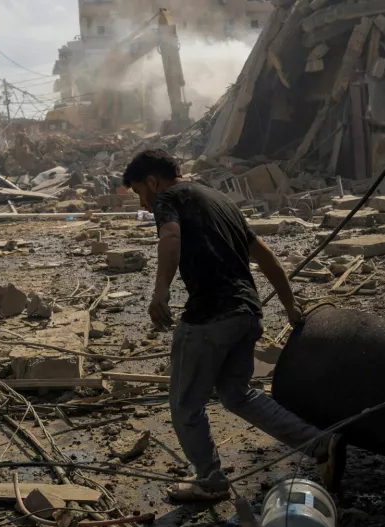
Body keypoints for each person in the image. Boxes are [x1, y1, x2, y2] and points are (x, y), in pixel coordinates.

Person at [123, 149, 343, 502]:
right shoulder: (220, 199)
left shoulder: (168, 198)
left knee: (185, 405)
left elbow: (170, 237)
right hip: (247, 312)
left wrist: (160, 291)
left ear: (152, 181)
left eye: (138, 192)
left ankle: (210, 480)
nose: (143, 204)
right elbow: (265, 256)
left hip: (210, 315)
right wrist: (289, 304)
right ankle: (319, 444)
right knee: (237, 394)